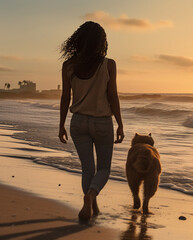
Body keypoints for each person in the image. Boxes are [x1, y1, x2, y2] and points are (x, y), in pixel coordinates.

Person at [58, 21, 124, 220]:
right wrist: (120, 123)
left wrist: (61, 124)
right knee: (103, 169)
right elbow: (112, 95)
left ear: (77, 41)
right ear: (101, 42)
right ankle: (92, 196)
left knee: (88, 168)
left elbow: (65, 97)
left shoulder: (68, 65)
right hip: (102, 123)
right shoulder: (108, 64)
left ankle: (90, 204)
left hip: (78, 123)